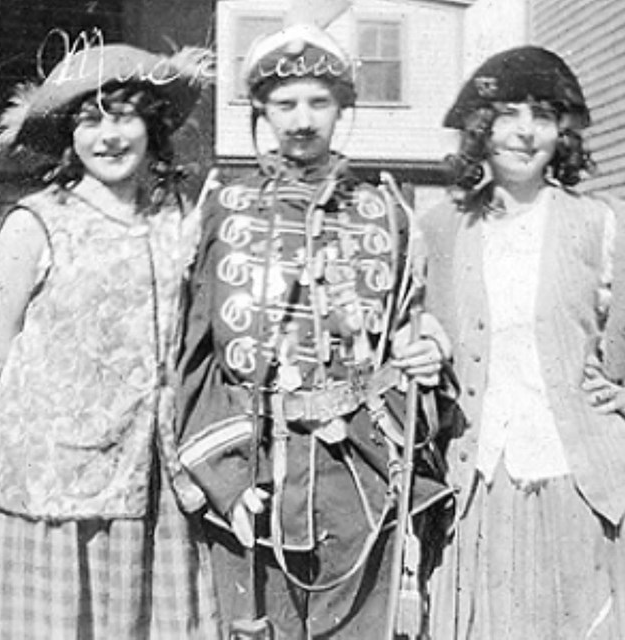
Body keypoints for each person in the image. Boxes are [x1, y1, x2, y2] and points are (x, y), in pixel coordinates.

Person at [175, 21, 454, 640]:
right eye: (285, 104)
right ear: (263, 113)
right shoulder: (223, 211)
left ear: (342, 109)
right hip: (254, 478)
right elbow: (192, 361)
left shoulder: (388, 212)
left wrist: (423, 361)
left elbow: (409, 337)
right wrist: (224, 479)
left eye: (318, 102)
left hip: (359, 481)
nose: (302, 120)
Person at [0, 41, 220, 639]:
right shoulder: (34, 222)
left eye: (125, 116)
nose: (109, 136)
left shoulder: (176, 215)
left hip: (154, 480)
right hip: (57, 489)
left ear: (153, 127)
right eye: (90, 120)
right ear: (70, 136)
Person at [421, 45, 625, 639]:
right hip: (480, 480)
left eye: (542, 114)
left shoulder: (602, 224)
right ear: (482, 128)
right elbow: (420, 335)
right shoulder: (442, 227)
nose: (524, 131)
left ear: (562, 131)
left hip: (578, 481)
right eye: (508, 114)